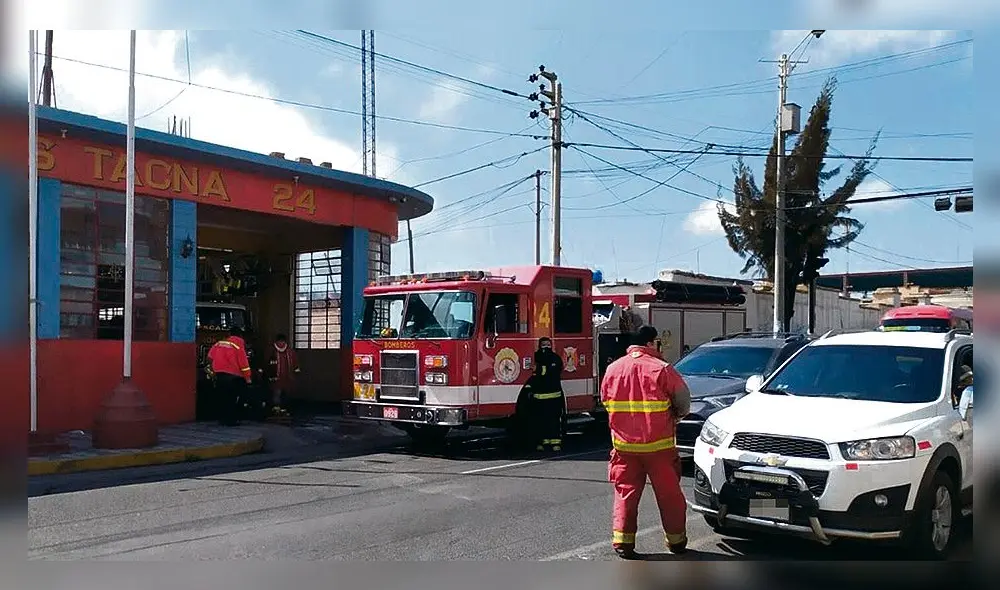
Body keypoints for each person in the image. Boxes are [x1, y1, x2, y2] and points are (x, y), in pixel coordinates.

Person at [601, 325, 692, 559]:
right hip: (658, 447)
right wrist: (675, 416)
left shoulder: (613, 369)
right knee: (669, 496)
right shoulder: (661, 369)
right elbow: (683, 401)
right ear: (651, 343)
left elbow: (605, 401)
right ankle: (676, 542)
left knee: (625, 494)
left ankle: (623, 542)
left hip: (624, 448)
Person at [207, 326, 253, 426]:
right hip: (233, 377)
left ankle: (222, 420)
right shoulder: (238, 345)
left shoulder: (219, 343)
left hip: (219, 375)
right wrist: (248, 378)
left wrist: (214, 369)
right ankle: (231, 421)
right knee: (232, 399)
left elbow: (210, 357)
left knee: (222, 397)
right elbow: (243, 363)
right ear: (240, 335)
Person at [528, 337, 565, 452]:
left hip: (554, 396)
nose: (546, 347)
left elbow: (553, 372)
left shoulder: (555, 358)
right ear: (539, 345)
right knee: (539, 421)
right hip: (539, 397)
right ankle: (541, 442)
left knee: (553, 420)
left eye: (548, 344)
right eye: (544, 344)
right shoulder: (535, 357)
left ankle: (555, 443)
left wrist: (540, 369)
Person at [265, 333, 300, 411]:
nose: (281, 343)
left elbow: (295, 363)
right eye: (280, 341)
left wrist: (296, 372)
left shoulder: (290, 351)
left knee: (286, 393)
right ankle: (276, 408)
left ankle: (284, 408)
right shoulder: (271, 351)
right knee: (276, 393)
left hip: (288, 377)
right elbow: (266, 363)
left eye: (282, 341)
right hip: (275, 377)